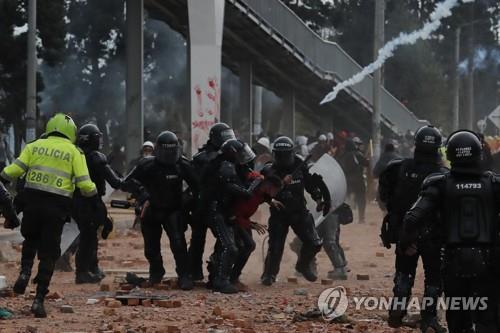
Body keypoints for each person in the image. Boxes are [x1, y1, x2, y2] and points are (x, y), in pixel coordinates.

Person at [401, 130, 499, 333]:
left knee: (458, 321)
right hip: (489, 264)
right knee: (489, 321)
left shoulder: (439, 183)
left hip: (453, 262)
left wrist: (406, 242)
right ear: (479, 154)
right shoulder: (494, 184)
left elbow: (412, 217)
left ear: (451, 155)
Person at [0, 113, 97, 318]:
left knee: (30, 239)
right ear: (71, 132)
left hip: (32, 203)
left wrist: (3, 179)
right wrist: (92, 192)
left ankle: (24, 273)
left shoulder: (35, 146)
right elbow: (85, 184)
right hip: (56, 209)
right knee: (49, 253)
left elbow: (13, 170)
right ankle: (38, 301)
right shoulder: (74, 151)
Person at [378, 125, 446, 332]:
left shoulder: (397, 168)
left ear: (415, 144)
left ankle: (397, 311)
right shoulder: (444, 175)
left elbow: (384, 197)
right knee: (434, 277)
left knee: (404, 272)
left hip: (405, 232)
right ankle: (429, 319)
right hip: (433, 235)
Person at [122, 131, 198, 290]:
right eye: (166, 151)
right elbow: (127, 182)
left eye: (172, 151)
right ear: (158, 149)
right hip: (151, 209)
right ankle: (156, 273)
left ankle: (184, 275)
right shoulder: (146, 164)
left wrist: (187, 198)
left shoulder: (182, 164)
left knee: (178, 243)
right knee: (151, 248)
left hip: (173, 210)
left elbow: (198, 186)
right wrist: (142, 192)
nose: (169, 155)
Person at [260, 136, 331, 286]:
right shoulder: (270, 168)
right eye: (280, 155)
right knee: (276, 246)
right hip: (279, 213)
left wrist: (319, 199)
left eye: (286, 154)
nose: (283, 158)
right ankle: (269, 274)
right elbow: (265, 189)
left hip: (299, 211)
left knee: (314, 243)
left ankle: (303, 265)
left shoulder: (300, 164)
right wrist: (280, 182)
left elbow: (311, 185)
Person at [204, 139, 257, 293]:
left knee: (248, 245)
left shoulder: (237, 167)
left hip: (232, 213)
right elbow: (241, 192)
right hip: (219, 212)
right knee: (230, 247)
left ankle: (232, 278)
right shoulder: (225, 168)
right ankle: (220, 280)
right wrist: (256, 183)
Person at [73, 124, 122, 283]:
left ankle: (92, 267)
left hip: (76, 200)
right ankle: (82, 272)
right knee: (88, 236)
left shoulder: (75, 154)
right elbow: (114, 182)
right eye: (98, 137)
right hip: (90, 200)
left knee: (92, 234)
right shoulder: (96, 157)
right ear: (92, 139)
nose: (100, 141)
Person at [189, 123, 236, 281]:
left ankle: (216, 268)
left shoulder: (230, 155)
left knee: (225, 239)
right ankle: (194, 271)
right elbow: (193, 182)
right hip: (202, 203)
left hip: (221, 203)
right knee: (197, 239)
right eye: (225, 137)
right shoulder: (201, 157)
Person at [229, 171, 282, 291]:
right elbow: (236, 214)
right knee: (246, 246)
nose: (275, 194)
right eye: (275, 191)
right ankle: (229, 278)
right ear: (268, 187)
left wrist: (271, 201)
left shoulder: (261, 191)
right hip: (233, 220)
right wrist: (251, 225)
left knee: (247, 246)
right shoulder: (249, 192)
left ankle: (232, 277)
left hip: (243, 220)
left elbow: (264, 196)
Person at [340, 137, 369, 223]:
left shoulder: (342, 156)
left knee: (346, 199)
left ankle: (346, 218)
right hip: (358, 180)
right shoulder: (357, 154)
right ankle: (361, 218)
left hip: (346, 181)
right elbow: (366, 163)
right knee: (361, 198)